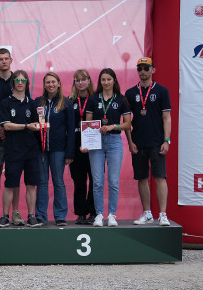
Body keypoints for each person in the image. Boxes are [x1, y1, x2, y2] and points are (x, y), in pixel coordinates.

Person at [125, 57, 172, 226]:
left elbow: (166, 117)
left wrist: (167, 140)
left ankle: (163, 214)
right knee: (142, 178)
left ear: (153, 70)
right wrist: (130, 142)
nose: (143, 71)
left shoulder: (161, 91)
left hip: (157, 142)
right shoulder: (130, 93)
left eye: (146, 68)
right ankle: (147, 213)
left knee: (160, 177)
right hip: (138, 142)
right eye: (140, 68)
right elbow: (126, 120)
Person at [84, 68, 131, 227]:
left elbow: (127, 124)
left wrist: (112, 126)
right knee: (97, 181)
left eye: (109, 79)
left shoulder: (121, 99)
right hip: (96, 142)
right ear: (100, 81)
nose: (106, 82)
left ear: (114, 81)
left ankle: (112, 214)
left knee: (113, 181)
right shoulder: (93, 99)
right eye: (103, 79)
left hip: (114, 141)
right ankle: (98, 214)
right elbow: (88, 123)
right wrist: (87, 140)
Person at [0, 70, 42, 228]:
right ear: (13, 83)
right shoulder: (5, 103)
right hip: (13, 150)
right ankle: (5, 216)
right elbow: (6, 125)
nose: (20, 82)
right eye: (17, 80)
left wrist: (42, 126)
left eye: (23, 80)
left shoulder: (33, 103)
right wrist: (26, 126)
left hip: (31, 150)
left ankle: (31, 216)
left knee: (31, 185)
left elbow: (38, 124)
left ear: (27, 83)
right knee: (10, 184)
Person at [0, 49, 24, 225]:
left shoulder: (19, 79)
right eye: (0, 59)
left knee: (13, 173)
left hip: (15, 137)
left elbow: (24, 107)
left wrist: (10, 129)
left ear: (11, 60)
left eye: (6, 59)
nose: (3, 62)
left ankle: (15, 211)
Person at [34, 72, 74, 226]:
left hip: (59, 150)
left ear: (59, 83)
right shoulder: (38, 102)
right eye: (47, 82)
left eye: (53, 82)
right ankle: (41, 216)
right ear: (44, 85)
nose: (50, 85)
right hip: (41, 150)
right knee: (42, 183)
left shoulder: (66, 103)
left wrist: (69, 153)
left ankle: (60, 216)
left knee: (58, 182)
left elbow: (71, 130)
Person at [69, 69, 97, 225]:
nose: (80, 83)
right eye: (77, 80)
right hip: (75, 144)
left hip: (92, 143)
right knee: (79, 180)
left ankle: (93, 212)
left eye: (83, 79)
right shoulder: (69, 101)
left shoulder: (95, 100)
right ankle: (80, 213)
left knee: (94, 180)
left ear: (89, 81)